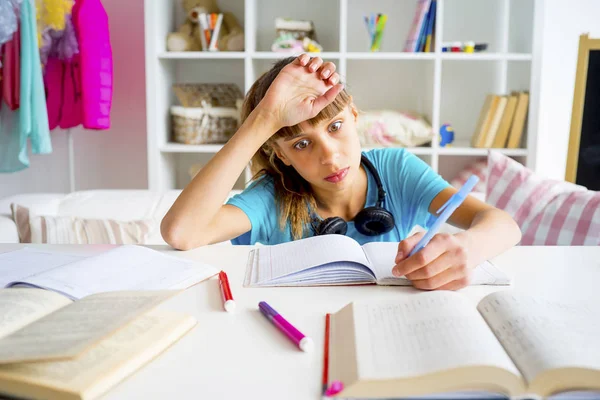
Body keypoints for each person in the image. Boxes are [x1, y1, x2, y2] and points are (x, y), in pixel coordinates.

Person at [161, 54, 522, 291]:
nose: (330, 157)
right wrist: (264, 122)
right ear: (281, 155)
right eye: (301, 144)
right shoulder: (272, 195)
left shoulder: (396, 169)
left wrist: (467, 247)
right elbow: (181, 232)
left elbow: (505, 225)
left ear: (353, 115)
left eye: (334, 127)